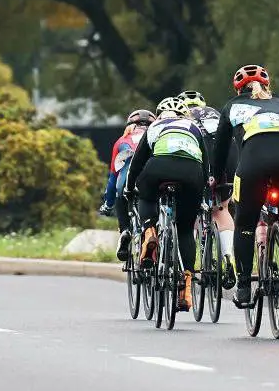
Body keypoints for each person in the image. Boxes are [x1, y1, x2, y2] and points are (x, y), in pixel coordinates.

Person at [211, 64, 279, 308]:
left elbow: (220, 150)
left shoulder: (231, 106)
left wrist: (214, 178)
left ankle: (243, 287)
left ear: (237, 88)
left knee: (244, 221)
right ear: (267, 85)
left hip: (254, 162)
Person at [126, 97, 209, 311]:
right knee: (184, 229)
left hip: (159, 167)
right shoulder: (193, 127)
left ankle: (149, 231)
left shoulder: (154, 126)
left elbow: (137, 164)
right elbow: (206, 163)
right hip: (192, 173)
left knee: (145, 195)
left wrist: (129, 188)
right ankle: (187, 287)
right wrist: (204, 191)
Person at [178, 90, 236, 286]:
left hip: (201, 155)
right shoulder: (215, 113)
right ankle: (229, 257)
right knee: (222, 209)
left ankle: (195, 260)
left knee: (191, 209)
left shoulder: (183, 119)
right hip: (228, 156)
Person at [98, 109, 155, 261]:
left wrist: (108, 204)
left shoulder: (121, 141)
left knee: (120, 196)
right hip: (150, 180)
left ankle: (125, 231)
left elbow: (113, 177)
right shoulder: (156, 137)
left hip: (125, 181)